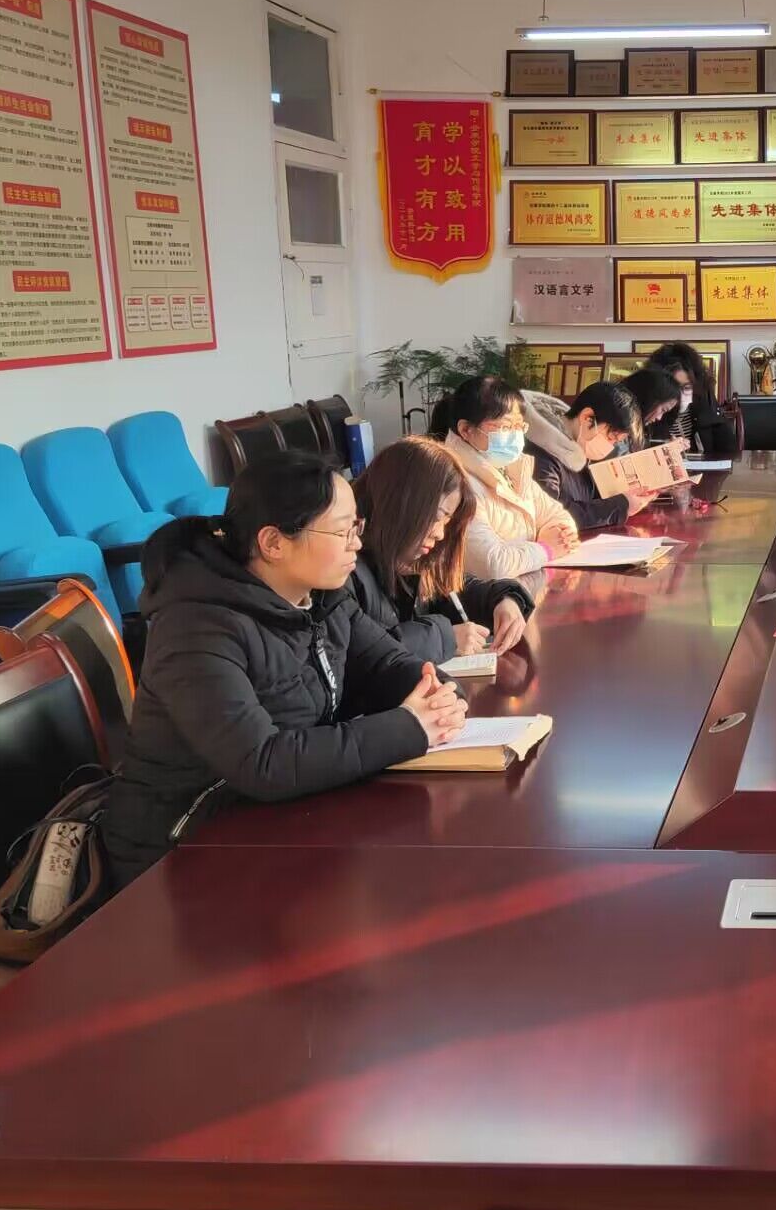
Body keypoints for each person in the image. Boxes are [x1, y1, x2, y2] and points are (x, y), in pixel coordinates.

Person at [105, 451, 469, 886]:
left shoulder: (324, 598)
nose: (356, 544)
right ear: (273, 543)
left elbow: (388, 665)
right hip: (180, 852)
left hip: (275, 822)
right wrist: (410, 726)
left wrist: (438, 694)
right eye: (342, 531)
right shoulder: (196, 628)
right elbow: (262, 762)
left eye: (356, 527)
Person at [350, 436, 536, 665]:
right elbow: (363, 655)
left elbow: (455, 589)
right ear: (401, 505)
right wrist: (445, 638)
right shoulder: (347, 572)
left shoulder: (410, 561)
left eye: (447, 522)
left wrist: (504, 599)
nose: (440, 534)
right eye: (437, 517)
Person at [437, 376, 580, 582]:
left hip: (523, 585)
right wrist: (546, 549)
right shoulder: (455, 483)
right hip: (482, 596)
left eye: (519, 427)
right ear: (466, 430)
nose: (515, 436)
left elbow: (559, 516)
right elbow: (492, 564)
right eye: (504, 427)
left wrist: (553, 535)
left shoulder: (511, 470)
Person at [522, 380, 655, 530]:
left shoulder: (578, 448)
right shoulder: (540, 452)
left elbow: (585, 497)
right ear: (587, 418)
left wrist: (624, 493)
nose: (611, 447)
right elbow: (552, 514)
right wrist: (621, 506)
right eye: (611, 438)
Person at [644, 342, 737, 457]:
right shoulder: (651, 412)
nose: (680, 395)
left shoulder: (705, 403)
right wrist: (662, 449)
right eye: (674, 387)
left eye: (687, 387)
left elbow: (728, 450)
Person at [622, 365, 684, 450]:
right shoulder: (617, 429)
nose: (659, 418)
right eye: (663, 410)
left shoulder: (633, 427)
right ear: (649, 400)